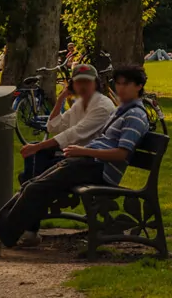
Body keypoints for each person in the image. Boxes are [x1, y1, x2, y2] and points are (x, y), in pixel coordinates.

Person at [0, 66, 153, 258]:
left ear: (139, 86)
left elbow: (122, 154)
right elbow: (54, 126)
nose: (121, 88)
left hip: (97, 167)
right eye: (118, 83)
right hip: (86, 161)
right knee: (32, 185)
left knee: (35, 187)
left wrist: (84, 151)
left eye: (127, 83)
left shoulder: (134, 115)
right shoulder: (121, 111)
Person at [12, 63, 116, 246]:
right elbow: (53, 127)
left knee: (33, 172)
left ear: (96, 83)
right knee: (34, 168)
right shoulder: (79, 104)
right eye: (78, 82)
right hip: (73, 157)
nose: (83, 86)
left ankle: (29, 226)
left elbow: (73, 133)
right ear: (72, 85)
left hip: (89, 162)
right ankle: (30, 222)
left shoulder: (103, 106)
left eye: (87, 82)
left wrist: (38, 147)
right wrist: (60, 99)